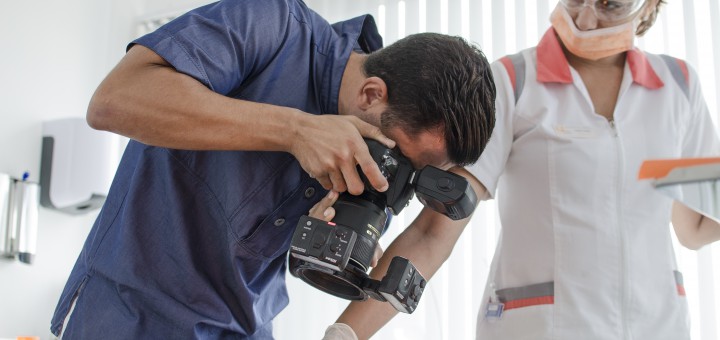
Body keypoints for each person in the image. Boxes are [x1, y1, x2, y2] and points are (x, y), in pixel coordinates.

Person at [48, 0, 496, 338]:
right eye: (396, 155)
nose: (393, 175)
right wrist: (294, 130)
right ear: (370, 94)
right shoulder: (272, 25)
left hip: (246, 326)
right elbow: (114, 101)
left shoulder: (383, 136)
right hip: (132, 315)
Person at [320, 0, 720, 339]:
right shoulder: (513, 83)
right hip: (542, 326)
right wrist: (346, 333)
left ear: (650, 5)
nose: (584, 18)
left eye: (610, 4)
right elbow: (433, 231)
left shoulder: (678, 86)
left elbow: (696, 227)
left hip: (658, 325)